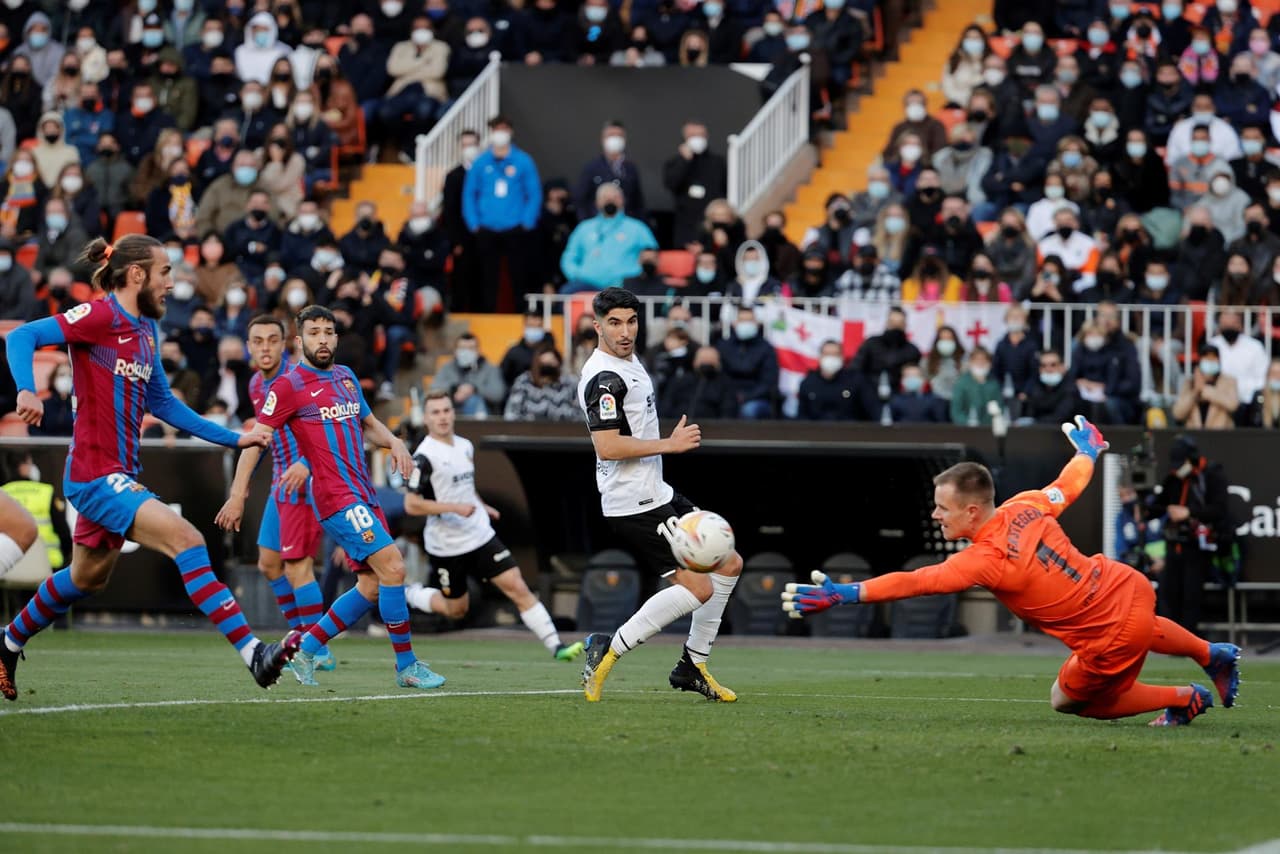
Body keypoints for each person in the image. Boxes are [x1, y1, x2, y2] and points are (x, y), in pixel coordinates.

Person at [784, 417, 1242, 727]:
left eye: (943, 508)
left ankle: (1185, 698)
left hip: (1107, 632)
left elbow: (915, 582)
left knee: (1068, 701)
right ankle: (1210, 652)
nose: (936, 516)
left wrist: (845, 594)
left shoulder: (983, 559)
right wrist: (1089, 452)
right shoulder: (1023, 503)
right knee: (1137, 626)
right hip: (1127, 586)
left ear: (971, 510)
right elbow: (1067, 486)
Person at [1, 234, 295, 701]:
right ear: (136, 274)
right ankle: (254, 653)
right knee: (188, 539)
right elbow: (22, 336)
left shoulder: (144, 332)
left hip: (118, 474)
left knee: (87, 577)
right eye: (164, 273)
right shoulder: (101, 316)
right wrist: (25, 389)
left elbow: (163, 403)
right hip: (95, 474)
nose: (171, 283)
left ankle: (8, 641)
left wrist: (235, 437)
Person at [218, 304, 445, 690]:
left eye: (328, 332)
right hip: (335, 497)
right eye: (313, 333)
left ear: (336, 337)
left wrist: (396, 444)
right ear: (300, 340)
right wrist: (237, 495)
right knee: (393, 566)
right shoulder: (288, 385)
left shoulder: (346, 376)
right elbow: (255, 443)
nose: (322, 339)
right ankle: (406, 665)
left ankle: (307, 650)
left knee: (372, 585)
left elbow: (369, 425)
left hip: (362, 492)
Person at [577, 288, 744, 703]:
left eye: (631, 321)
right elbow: (608, 447)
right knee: (700, 588)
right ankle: (607, 649)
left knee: (730, 562)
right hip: (633, 502)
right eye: (614, 323)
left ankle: (692, 665)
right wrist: (669, 445)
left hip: (657, 491)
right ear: (597, 326)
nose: (625, 331)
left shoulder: (630, 361)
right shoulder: (604, 378)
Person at [402, 391, 583, 661]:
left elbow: (464, 487)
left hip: (479, 534)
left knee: (517, 587)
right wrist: (454, 508)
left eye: (446, 410)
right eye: (436, 413)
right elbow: (412, 505)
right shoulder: (424, 457)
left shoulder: (465, 446)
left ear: (454, 413)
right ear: (426, 419)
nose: (442, 417)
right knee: (456, 609)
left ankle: (556, 646)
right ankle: (411, 593)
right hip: (447, 545)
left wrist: (480, 505)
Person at [214, 315, 337, 678]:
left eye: (272, 340)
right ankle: (304, 636)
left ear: (285, 344)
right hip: (279, 484)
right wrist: (246, 483)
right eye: (258, 341)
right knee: (269, 564)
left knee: (299, 567)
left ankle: (316, 647)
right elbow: (265, 435)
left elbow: (325, 423)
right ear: (248, 347)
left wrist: (305, 463)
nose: (265, 347)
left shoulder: (298, 379)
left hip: (304, 480)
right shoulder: (255, 384)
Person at [1147, 436, 1229, 634]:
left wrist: (1189, 513)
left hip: (1198, 545)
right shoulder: (1174, 478)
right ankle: (1168, 637)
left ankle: (1187, 639)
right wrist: (1145, 507)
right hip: (1173, 543)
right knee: (1168, 591)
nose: (1178, 468)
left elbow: (1219, 510)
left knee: (1191, 594)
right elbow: (1157, 506)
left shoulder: (1211, 474)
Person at [462, 115, 541, 311]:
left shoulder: (523, 161)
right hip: (486, 228)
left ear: (510, 132)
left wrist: (527, 222)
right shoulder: (481, 162)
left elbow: (534, 193)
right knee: (486, 276)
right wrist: (474, 223)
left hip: (515, 227)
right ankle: (487, 314)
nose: (500, 134)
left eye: (504, 129)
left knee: (519, 275)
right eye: (497, 129)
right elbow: (469, 194)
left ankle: (521, 314)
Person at [560, 184, 657, 293]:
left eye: (615, 197)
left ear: (622, 201)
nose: (610, 201)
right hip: (587, 283)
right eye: (605, 197)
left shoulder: (637, 227)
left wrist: (640, 274)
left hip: (625, 285)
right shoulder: (584, 228)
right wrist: (576, 274)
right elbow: (569, 257)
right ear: (597, 202)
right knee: (566, 292)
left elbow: (651, 254)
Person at [0, 452, 70, 572]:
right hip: (48, 566)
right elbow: (63, 531)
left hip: (10, 569)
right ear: (23, 466)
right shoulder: (45, 492)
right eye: (30, 463)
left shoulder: (3, 494)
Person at [663, 120, 728, 248]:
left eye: (701, 135)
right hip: (686, 227)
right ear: (684, 139)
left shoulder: (718, 162)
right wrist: (684, 161)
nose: (698, 139)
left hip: (712, 225)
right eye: (693, 136)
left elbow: (725, 191)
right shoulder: (674, 162)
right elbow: (671, 184)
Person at [716, 304, 779, 419]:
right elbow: (721, 375)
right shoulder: (723, 346)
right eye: (742, 320)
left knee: (749, 410)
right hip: (727, 397)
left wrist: (746, 396)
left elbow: (769, 382)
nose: (746, 324)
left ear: (757, 324)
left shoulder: (766, 349)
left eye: (750, 320)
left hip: (756, 399)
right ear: (734, 323)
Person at [574, 121, 644, 219]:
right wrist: (588, 224)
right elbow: (581, 200)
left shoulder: (630, 169)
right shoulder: (591, 168)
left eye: (619, 135)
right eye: (611, 135)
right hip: (598, 225)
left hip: (625, 226)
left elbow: (638, 202)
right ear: (603, 139)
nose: (615, 139)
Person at [429, 332, 507, 417]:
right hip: (451, 411)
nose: (466, 352)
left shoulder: (491, 369)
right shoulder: (447, 368)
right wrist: (454, 389)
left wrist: (474, 389)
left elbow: (498, 394)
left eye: (471, 348)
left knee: (473, 400)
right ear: (455, 351)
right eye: (462, 348)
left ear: (478, 350)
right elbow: (434, 389)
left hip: (483, 415)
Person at [503, 343, 580, 422]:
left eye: (551, 362)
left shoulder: (570, 383)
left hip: (565, 431)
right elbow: (511, 414)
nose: (548, 366)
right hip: (529, 431)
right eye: (544, 363)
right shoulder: (523, 383)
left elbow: (580, 414)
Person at [1172, 343, 1238, 429]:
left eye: (1213, 358)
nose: (1210, 361)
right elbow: (1178, 414)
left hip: (1221, 435)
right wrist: (1196, 391)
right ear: (1200, 361)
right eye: (1206, 358)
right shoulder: (1189, 383)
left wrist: (1205, 389)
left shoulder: (1229, 381)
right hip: (1195, 437)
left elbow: (1233, 405)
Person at [796, 340, 864, 421]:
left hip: (848, 431)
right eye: (827, 354)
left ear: (842, 357)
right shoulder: (808, 383)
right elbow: (802, 417)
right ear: (820, 357)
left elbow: (867, 413)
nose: (831, 358)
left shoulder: (855, 381)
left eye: (835, 355)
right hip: (816, 431)